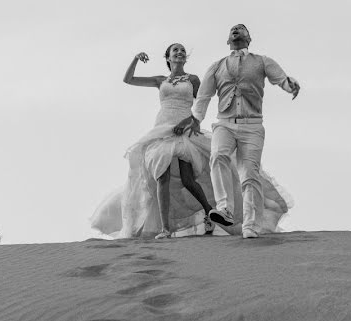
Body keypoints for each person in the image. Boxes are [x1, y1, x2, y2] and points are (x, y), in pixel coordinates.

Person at [91, 43, 217, 239]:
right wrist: (135, 58)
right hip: (162, 128)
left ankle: (209, 212)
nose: (180, 52)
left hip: (183, 128)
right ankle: (165, 229)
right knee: (162, 176)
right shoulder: (161, 80)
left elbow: (202, 102)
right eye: (175, 50)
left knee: (187, 178)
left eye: (182, 50)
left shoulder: (192, 79)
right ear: (168, 57)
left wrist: (190, 122)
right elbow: (129, 79)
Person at [190, 24, 300, 239]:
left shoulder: (262, 61)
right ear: (228, 40)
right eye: (233, 29)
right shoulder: (217, 66)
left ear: (249, 39)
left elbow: (281, 79)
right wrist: (196, 119)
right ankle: (225, 209)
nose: (237, 30)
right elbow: (203, 96)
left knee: (249, 174)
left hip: (253, 126)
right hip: (224, 123)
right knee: (218, 156)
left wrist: (290, 85)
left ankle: (250, 226)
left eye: (242, 29)